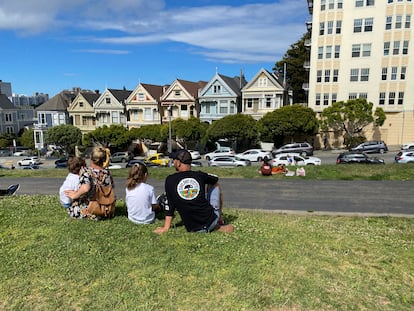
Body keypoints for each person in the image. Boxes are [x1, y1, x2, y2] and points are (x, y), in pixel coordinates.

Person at [154, 149, 234, 234]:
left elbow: (170, 205)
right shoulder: (199, 175)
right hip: (210, 221)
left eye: (174, 160)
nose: (173, 162)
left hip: (192, 228)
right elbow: (215, 179)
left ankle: (216, 225)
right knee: (215, 184)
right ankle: (219, 219)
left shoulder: (170, 180)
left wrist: (166, 227)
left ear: (178, 163)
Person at [64, 145, 115, 219]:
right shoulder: (107, 173)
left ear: (91, 157)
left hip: (93, 208)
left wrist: (75, 195)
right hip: (106, 209)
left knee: (72, 208)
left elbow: (85, 188)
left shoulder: (87, 172)